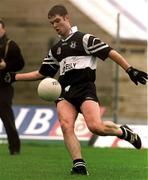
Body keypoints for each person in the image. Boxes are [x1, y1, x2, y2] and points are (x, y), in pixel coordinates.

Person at [4, 5, 147, 174]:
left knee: (96, 127)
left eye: (58, 21)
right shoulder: (55, 50)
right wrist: (14, 77)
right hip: (64, 92)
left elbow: (110, 52)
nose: (55, 25)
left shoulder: (85, 39)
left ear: (66, 18)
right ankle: (79, 164)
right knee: (65, 125)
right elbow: (42, 73)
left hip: (85, 88)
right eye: (52, 23)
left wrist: (130, 69)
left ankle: (123, 131)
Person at [0, 20, 25, 155]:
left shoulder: (11, 45)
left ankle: (14, 148)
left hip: (3, 87)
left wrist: (6, 66)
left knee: (7, 118)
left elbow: (20, 64)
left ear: (4, 30)